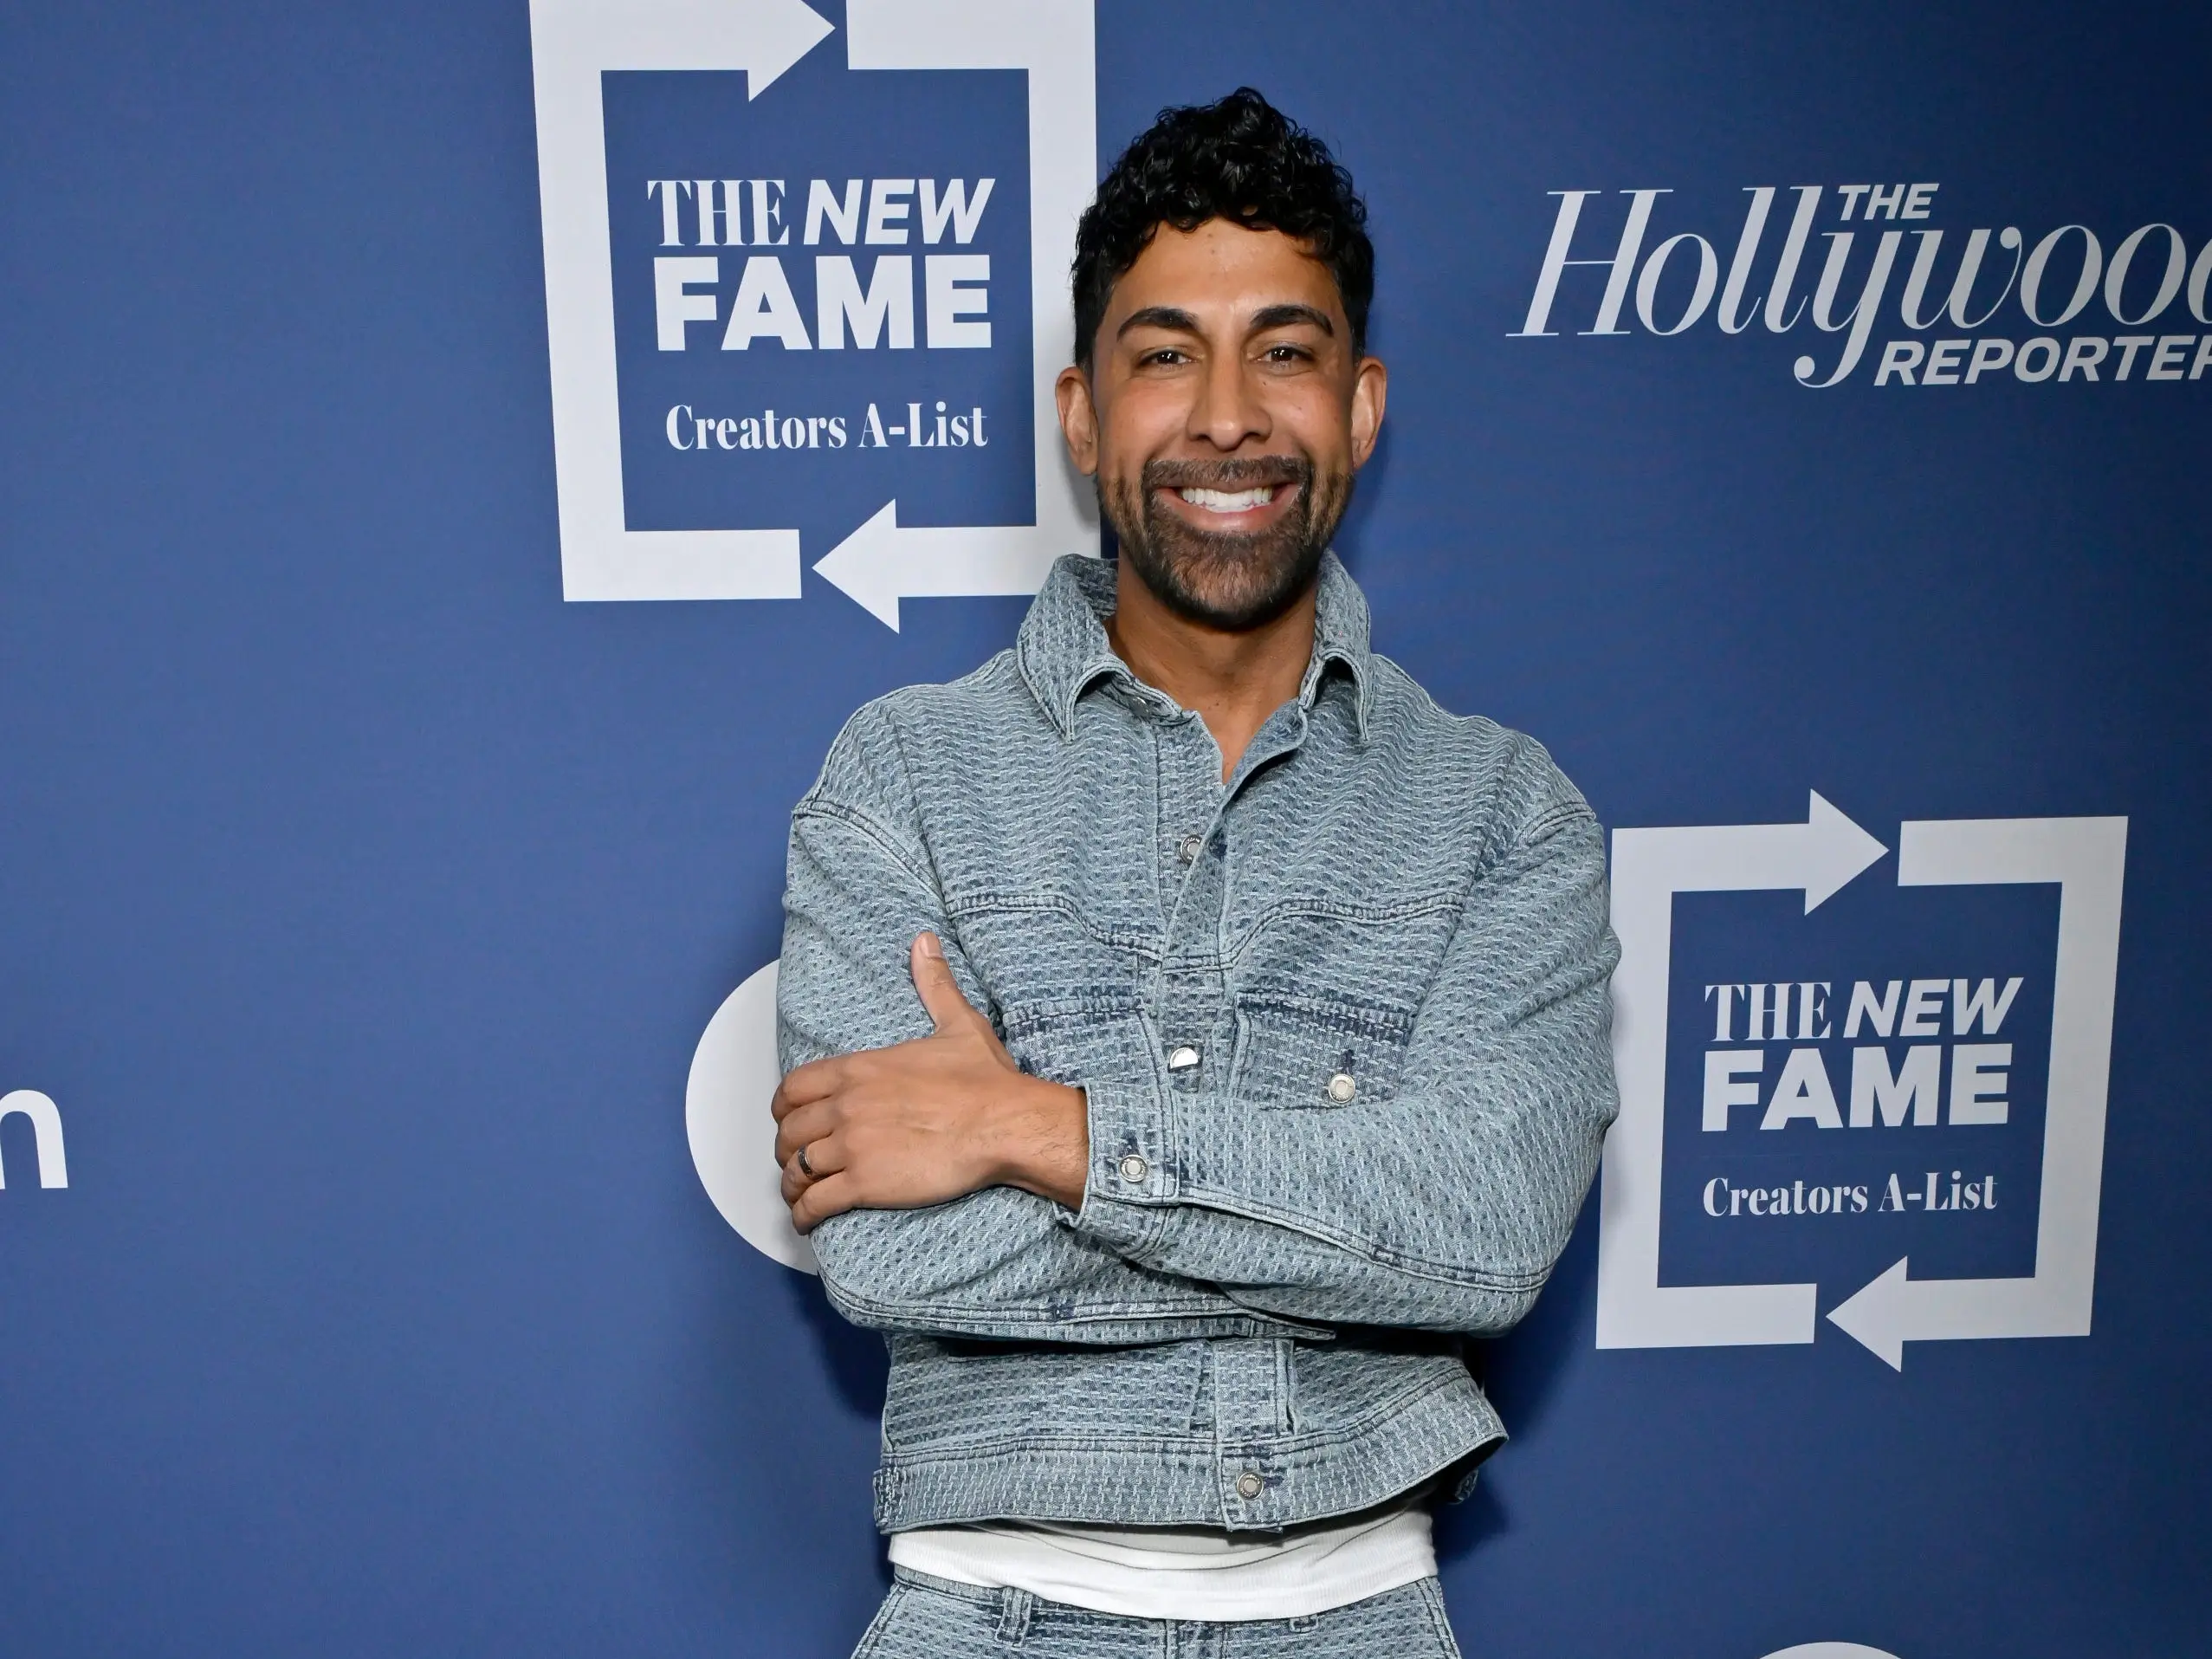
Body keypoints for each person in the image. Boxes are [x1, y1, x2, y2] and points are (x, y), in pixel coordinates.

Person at [772, 87, 1619, 1659]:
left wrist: (1031, 1127)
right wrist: (1339, 1217)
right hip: (981, 1618)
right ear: (1082, 412)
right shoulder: (902, 774)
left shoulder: (1506, 813)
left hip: (1356, 1619)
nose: (1226, 415)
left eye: (1282, 352)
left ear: (1359, 405)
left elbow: (1483, 1234)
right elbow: (890, 1249)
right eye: (1164, 353)